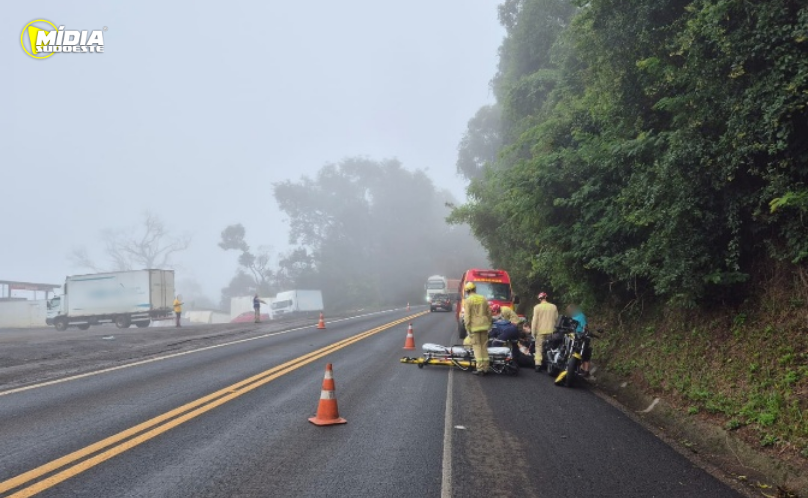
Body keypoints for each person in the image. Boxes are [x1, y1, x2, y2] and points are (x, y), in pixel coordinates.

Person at [463, 282, 492, 376]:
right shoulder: (483, 298)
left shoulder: (468, 300)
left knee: (477, 347)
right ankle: (486, 368)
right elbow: (489, 313)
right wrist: (489, 324)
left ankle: (479, 368)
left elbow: (467, 316)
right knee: (484, 346)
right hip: (484, 326)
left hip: (474, 327)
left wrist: (467, 327)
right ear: (475, 289)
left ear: (467, 291)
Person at [531, 292, 558, 371]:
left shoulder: (537, 307)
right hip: (551, 331)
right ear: (546, 297)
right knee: (550, 347)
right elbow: (556, 319)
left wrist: (533, 332)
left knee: (538, 347)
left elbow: (534, 321)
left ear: (539, 299)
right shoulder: (553, 307)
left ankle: (538, 364)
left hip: (540, 331)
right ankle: (551, 362)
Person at [566, 303, 592, 377]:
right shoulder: (573, 317)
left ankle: (585, 370)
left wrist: (584, 333)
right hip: (573, 336)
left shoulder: (581, 316)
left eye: (570, 310)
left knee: (584, 353)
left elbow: (585, 327)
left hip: (581, 337)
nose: (569, 312)